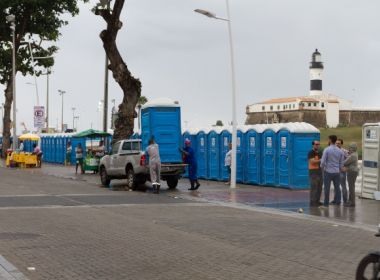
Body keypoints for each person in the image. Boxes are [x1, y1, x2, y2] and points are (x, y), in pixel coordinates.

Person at [320, 135, 344, 206]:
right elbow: (341, 163)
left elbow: (323, 161)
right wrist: (339, 169)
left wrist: (322, 167)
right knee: (337, 188)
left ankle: (326, 203)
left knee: (327, 188)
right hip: (336, 171)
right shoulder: (340, 151)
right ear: (335, 140)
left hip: (328, 171)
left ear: (330, 140)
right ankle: (338, 201)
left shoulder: (327, 149)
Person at [343, 142, 359, 207]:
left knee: (351, 187)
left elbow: (345, 162)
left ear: (352, 148)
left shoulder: (352, 156)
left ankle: (352, 202)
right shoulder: (355, 154)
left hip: (351, 172)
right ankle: (351, 201)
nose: (349, 149)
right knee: (352, 186)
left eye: (350, 148)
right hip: (354, 171)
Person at [308, 140, 323, 206]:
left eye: (318, 144)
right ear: (313, 145)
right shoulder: (311, 152)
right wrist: (321, 160)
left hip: (320, 171)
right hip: (313, 171)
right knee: (314, 187)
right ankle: (313, 202)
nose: (317, 145)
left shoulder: (320, 152)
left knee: (319, 187)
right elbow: (312, 161)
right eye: (316, 144)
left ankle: (317, 201)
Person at [336, 138, 349, 204]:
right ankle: (336, 200)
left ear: (341, 144)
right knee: (336, 186)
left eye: (339, 143)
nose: (337, 144)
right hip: (334, 171)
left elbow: (349, 160)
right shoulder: (333, 150)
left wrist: (346, 167)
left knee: (343, 186)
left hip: (341, 171)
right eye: (336, 143)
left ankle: (345, 201)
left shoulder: (344, 151)